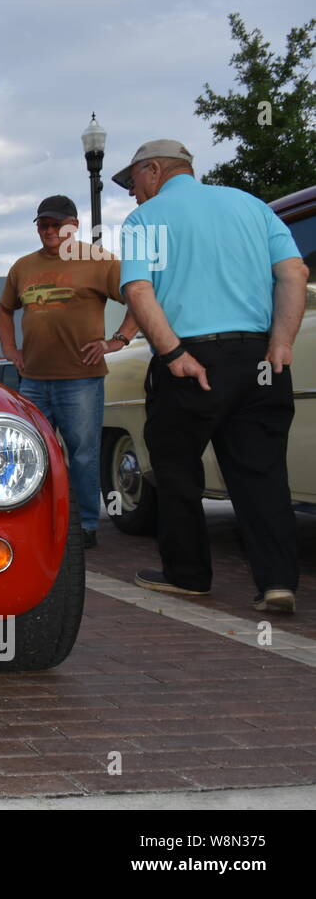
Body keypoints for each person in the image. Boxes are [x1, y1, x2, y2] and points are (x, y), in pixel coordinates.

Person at [114, 139, 307, 612]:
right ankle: (278, 582)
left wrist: (173, 351)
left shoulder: (146, 220)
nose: (132, 193)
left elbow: (139, 289)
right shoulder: (252, 206)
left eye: (133, 181)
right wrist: (281, 343)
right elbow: (294, 273)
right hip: (259, 357)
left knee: (177, 471)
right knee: (261, 474)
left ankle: (188, 574)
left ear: (154, 171)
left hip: (191, 359)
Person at [0, 194, 140, 549]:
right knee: (26, 452)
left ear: (73, 227)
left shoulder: (99, 261)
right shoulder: (22, 266)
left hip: (81, 378)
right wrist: (11, 350)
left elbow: (140, 297)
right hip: (32, 381)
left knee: (83, 455)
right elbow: (3, 310)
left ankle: (86, 525)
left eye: (56, 224)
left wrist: (118, 340)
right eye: (42, 224)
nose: (48, 230)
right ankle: (26, 523)